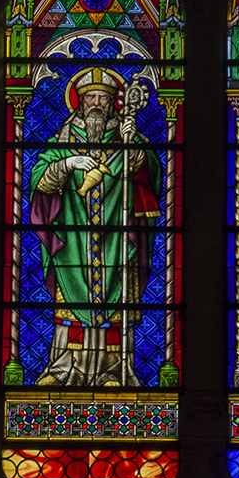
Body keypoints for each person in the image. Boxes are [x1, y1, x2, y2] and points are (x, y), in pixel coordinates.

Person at [28, 66, 158, 387]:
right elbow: (39, 180)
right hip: (72, 237)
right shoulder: (63, 138)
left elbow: (150, 174)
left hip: (117, 235)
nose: (97, 103)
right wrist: (67, 163)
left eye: (103, 97)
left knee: (115, 302)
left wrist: (133, 146)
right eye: (90, 97)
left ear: (113, 102)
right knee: (71, 303)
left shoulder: (126, 135)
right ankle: (62, 368)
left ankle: (112, 371)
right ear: (80, 101)